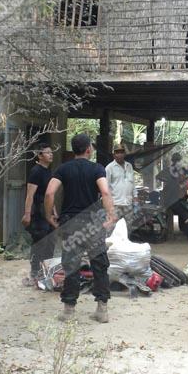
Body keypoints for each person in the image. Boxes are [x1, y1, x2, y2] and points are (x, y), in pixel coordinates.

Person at [44, 133, 117, 323]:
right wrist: (111, 215)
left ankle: (69, 311)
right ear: (88, 149)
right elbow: (105, 191)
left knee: (71, 265)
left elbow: (50, 192)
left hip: (70, 223)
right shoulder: (97, 169)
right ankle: (102, 310)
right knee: (99, 264)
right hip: (93, 222)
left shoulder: (63, 169)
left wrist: (49, 215)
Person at [21, 144, 56, 287]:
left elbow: (50, 194)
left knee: (50, 242)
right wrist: (27, 214)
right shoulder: (36, 171)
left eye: (51, 152)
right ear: (40, 156)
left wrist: (54, 212)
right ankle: (34, 273)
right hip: (38, 211)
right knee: (39, 242)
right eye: (47, 153)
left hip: (48, 210)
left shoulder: (49, 171)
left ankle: (46, 272)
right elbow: (30, 195)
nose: (51, 154)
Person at [105, 143, 135, 225]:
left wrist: (135, 196)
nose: (120, 154)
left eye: (122, 152)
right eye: (117, 152)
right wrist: (108, 206)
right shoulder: (109, 168)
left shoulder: (129, 166)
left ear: (124, 154)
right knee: (113, 228)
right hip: (115, 204)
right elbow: (106, 187)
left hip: (128, 204)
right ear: (113, 155)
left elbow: (132, 183)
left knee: (128, 228)